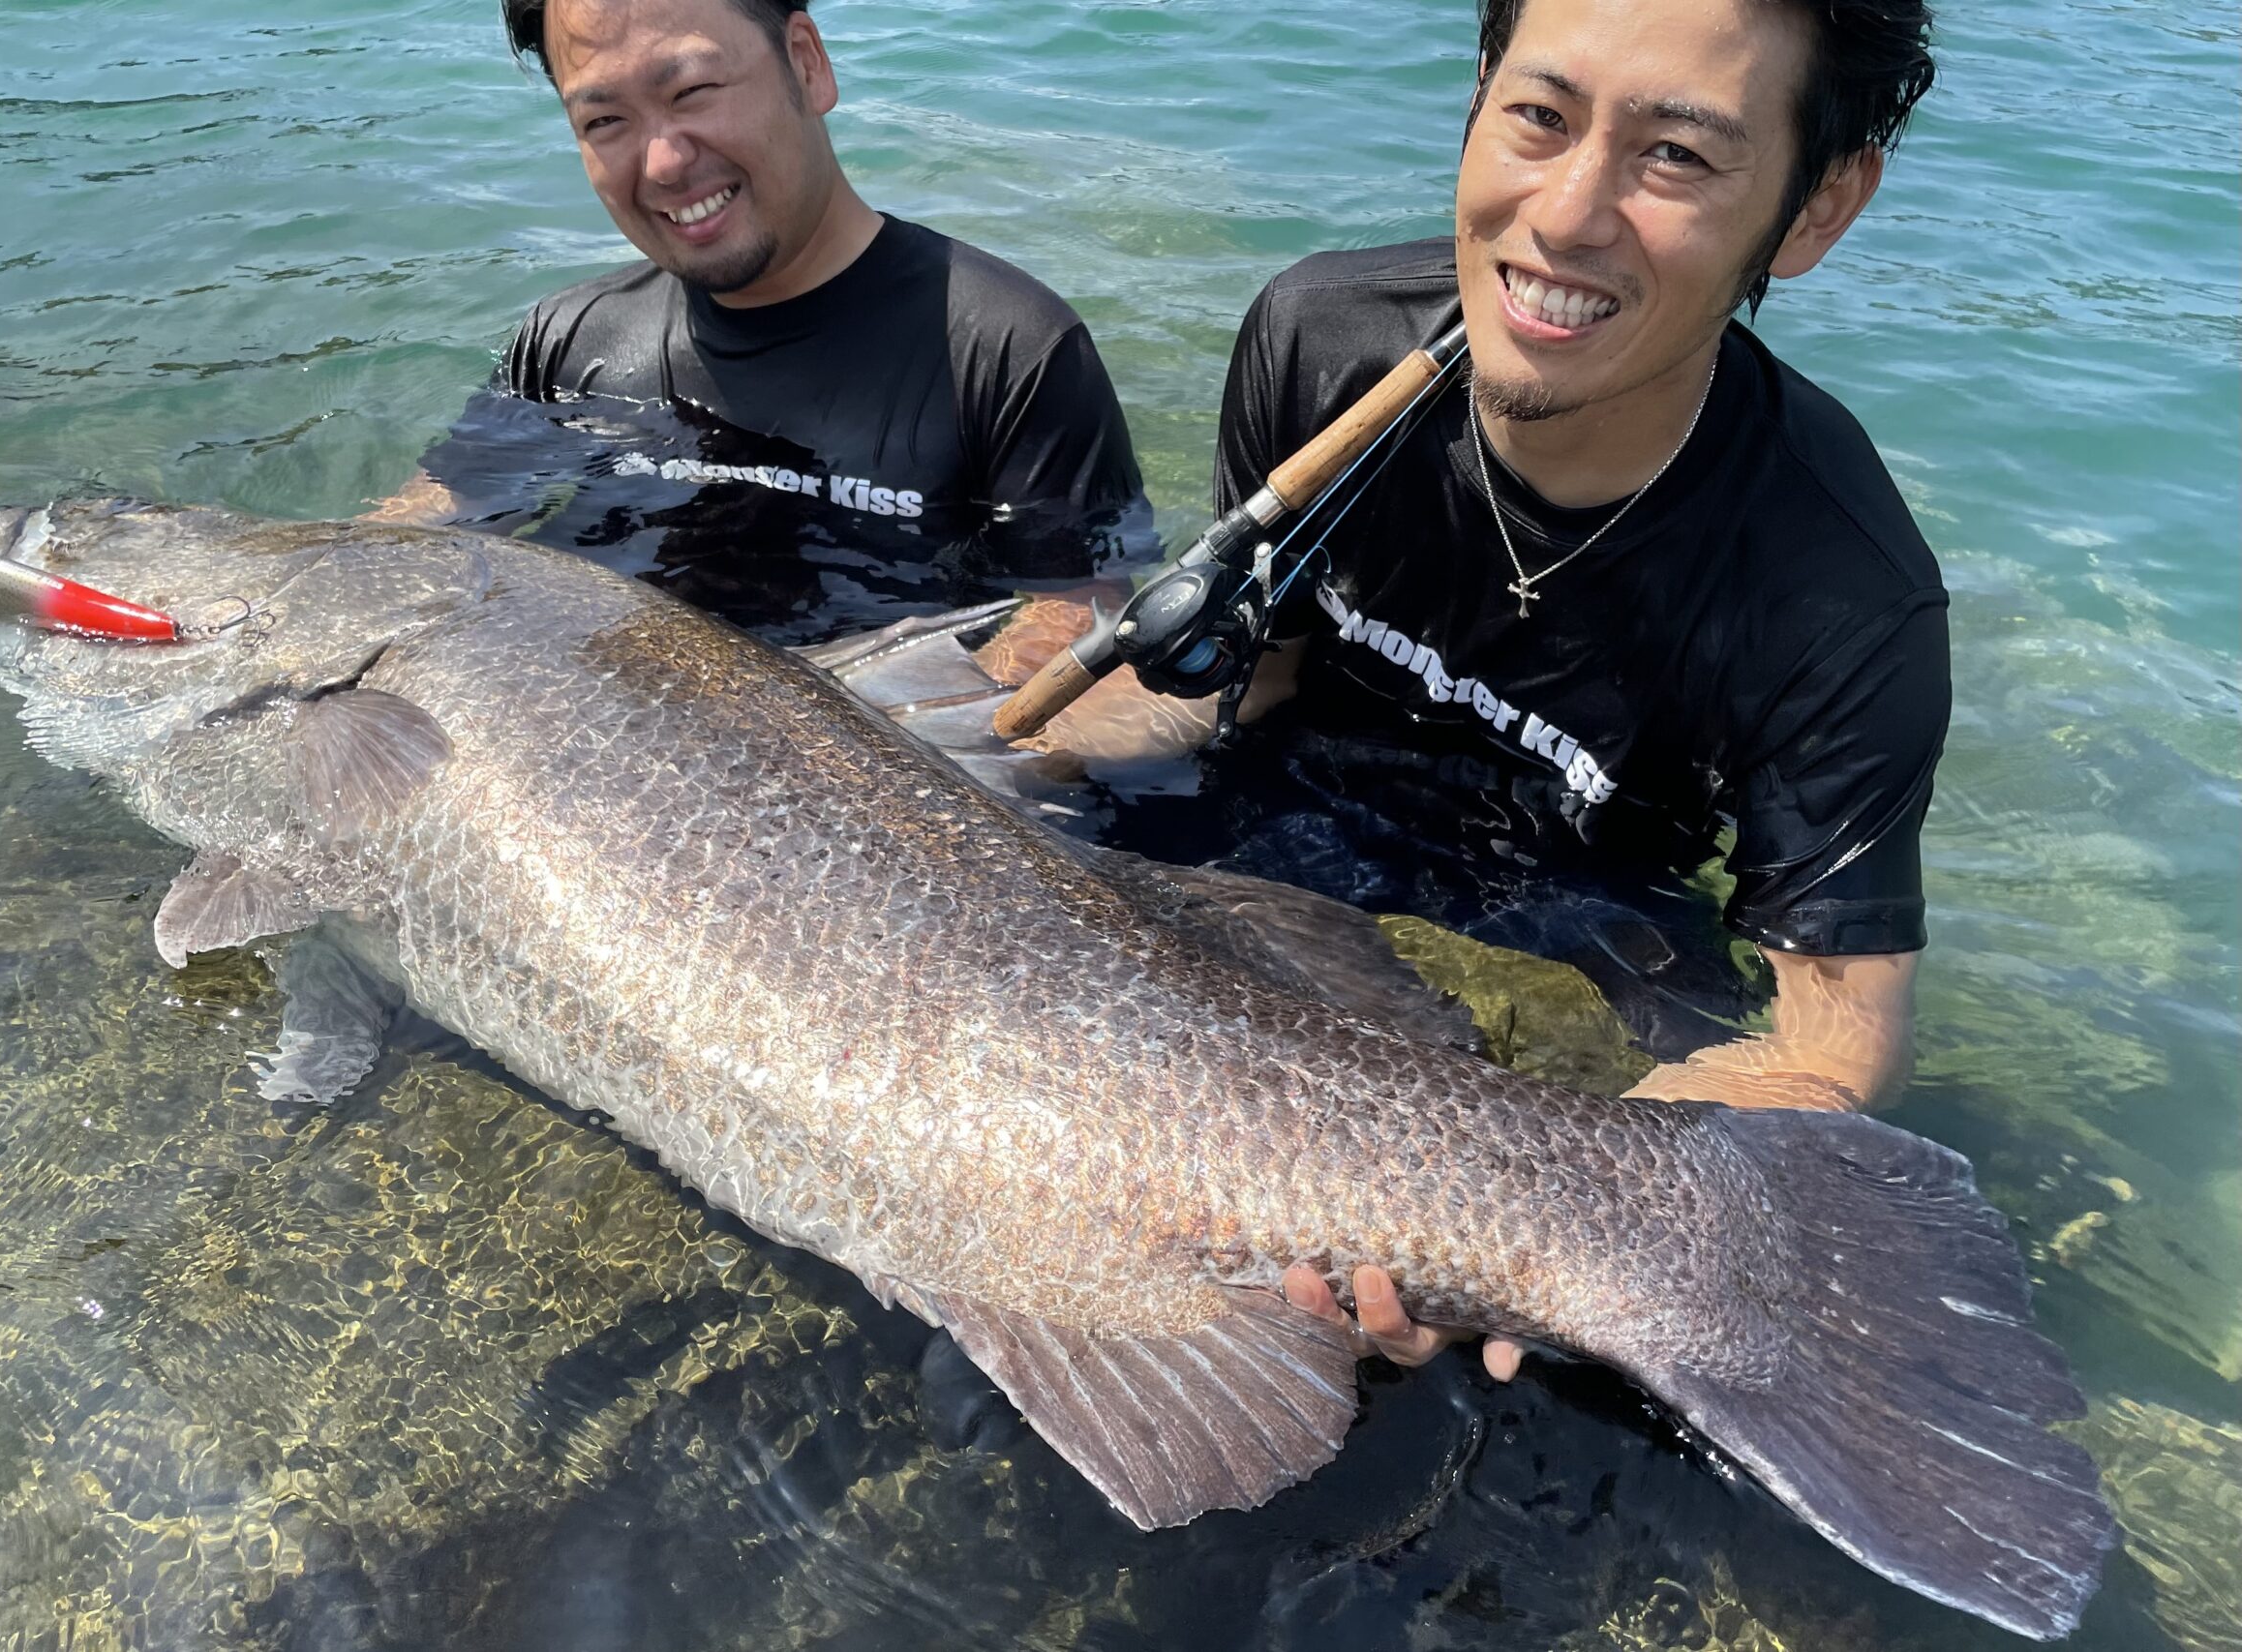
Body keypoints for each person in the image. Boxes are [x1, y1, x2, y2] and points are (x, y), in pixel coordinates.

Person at [1022, 0, 1945, 1373]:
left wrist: (1526, 1221)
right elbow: (1248, 674)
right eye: (1540, 116)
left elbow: (1830, 1042)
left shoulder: (1843, 589)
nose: (1567, 216)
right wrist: (959, 774)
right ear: (1476, 99)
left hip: (1576, 944)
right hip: (1279, 849)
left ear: (1816, 207)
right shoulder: (1320, 339)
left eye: (1677, 155)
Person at [367, 0, 1150, 642]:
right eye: (605, 122)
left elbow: (1075, 626)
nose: (664, 163)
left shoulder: (1007, 353)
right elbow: (411, 540)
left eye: (693, 92)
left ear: (806, 64)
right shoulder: (566, 346)